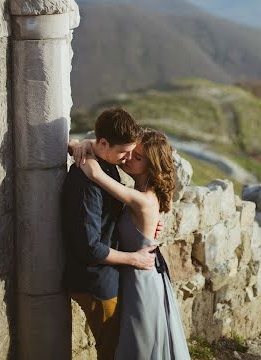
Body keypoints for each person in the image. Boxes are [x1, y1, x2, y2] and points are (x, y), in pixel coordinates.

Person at [73, 127, 191, 360]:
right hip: (133, 272)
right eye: (130, 153)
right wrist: (85, 142)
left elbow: (94, 174)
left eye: (137, 157)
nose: (128, 159)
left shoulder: (143, 200)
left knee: (138, 345)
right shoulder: (141, 191)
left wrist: (83, 146)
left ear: (152, 165)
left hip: (140, 280)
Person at [62, 108, 160, 360]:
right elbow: (90, 247)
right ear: (104, 143)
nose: (128, 158)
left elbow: (111, 216)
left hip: (109, 276)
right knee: (113, 351)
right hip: (97, 282)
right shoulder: (87, 184)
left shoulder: (104, 162)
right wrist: (134, 259)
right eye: (124, 152)